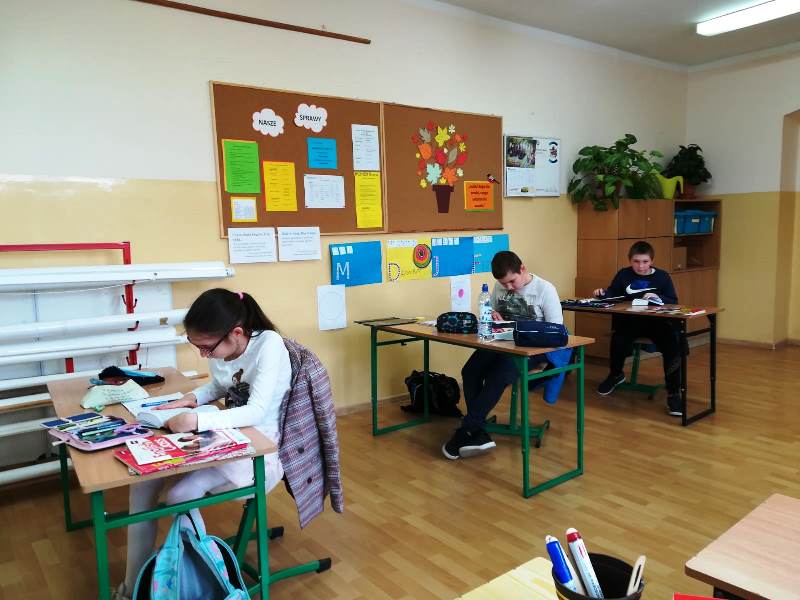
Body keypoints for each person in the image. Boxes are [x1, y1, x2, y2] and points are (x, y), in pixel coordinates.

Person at [113, 288, 290, 600]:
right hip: (225, 435)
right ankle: (132, 588)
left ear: (237, 333)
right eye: (197, 347)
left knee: (180, 495)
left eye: (207, 348)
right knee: (142, 485)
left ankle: (205, 583)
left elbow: (257, 411)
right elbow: (220, 384)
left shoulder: (269, 344)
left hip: (259, 450)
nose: (204, 355)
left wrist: (195, 420)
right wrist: (190, 398)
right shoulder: (224, 347)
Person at [442, 251, 563, 460]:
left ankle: (468, 429)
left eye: (512, 282)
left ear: (522, 269)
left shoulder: (545, 290)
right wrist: (493, 316)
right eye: (503, 283)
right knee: (470, 371)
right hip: (503, 343)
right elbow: (494, 316)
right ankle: (477, 429)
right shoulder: (500, 287)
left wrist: (518, 327)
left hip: (534, 348)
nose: (508, 287)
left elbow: (556, 332)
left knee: (498, 376)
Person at [593, 240, 683, 416]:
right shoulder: (623, 274)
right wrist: (602, 293)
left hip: (657, 324)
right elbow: (613, 294)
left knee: (672, 345)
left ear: (652, 261)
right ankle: (616, 375)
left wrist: (658, 297)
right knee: (618, 340)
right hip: (631, 322)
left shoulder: (662, 276)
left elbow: (673, 301)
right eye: (636, 261)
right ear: (630, 260)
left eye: (645, 262)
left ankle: (674, 392)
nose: (640, 266)